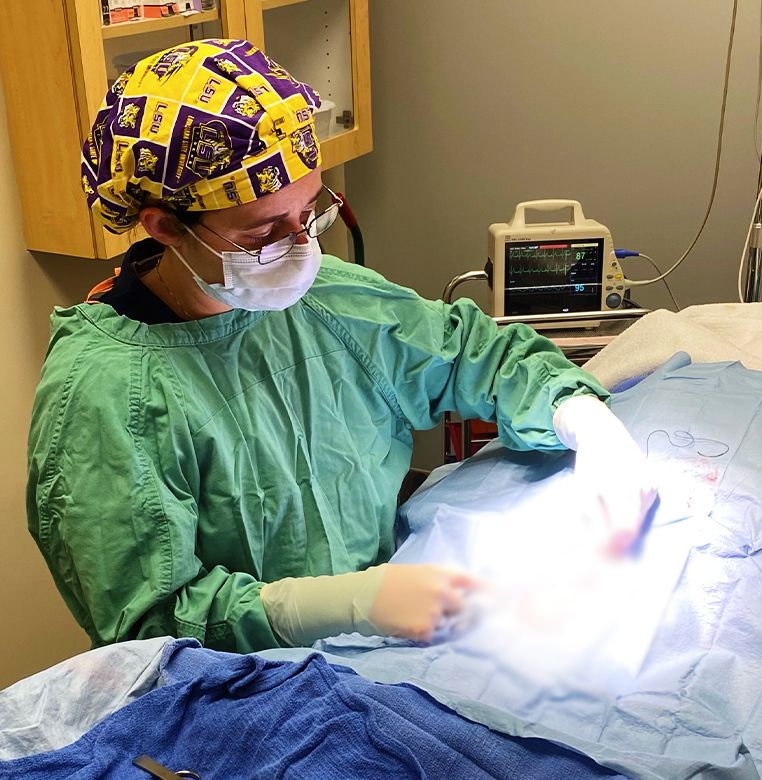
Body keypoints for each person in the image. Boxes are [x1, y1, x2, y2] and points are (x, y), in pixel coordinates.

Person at [27, 40, 656, 653]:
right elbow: (145, 629)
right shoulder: (108, 394)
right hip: (245, 697)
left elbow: (473, 356)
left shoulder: (331, 300)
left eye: (311, 210)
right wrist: (344, 605)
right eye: (264, 232)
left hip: (387, 652)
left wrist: (582, 419)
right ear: (165, 225)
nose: (302, 246)